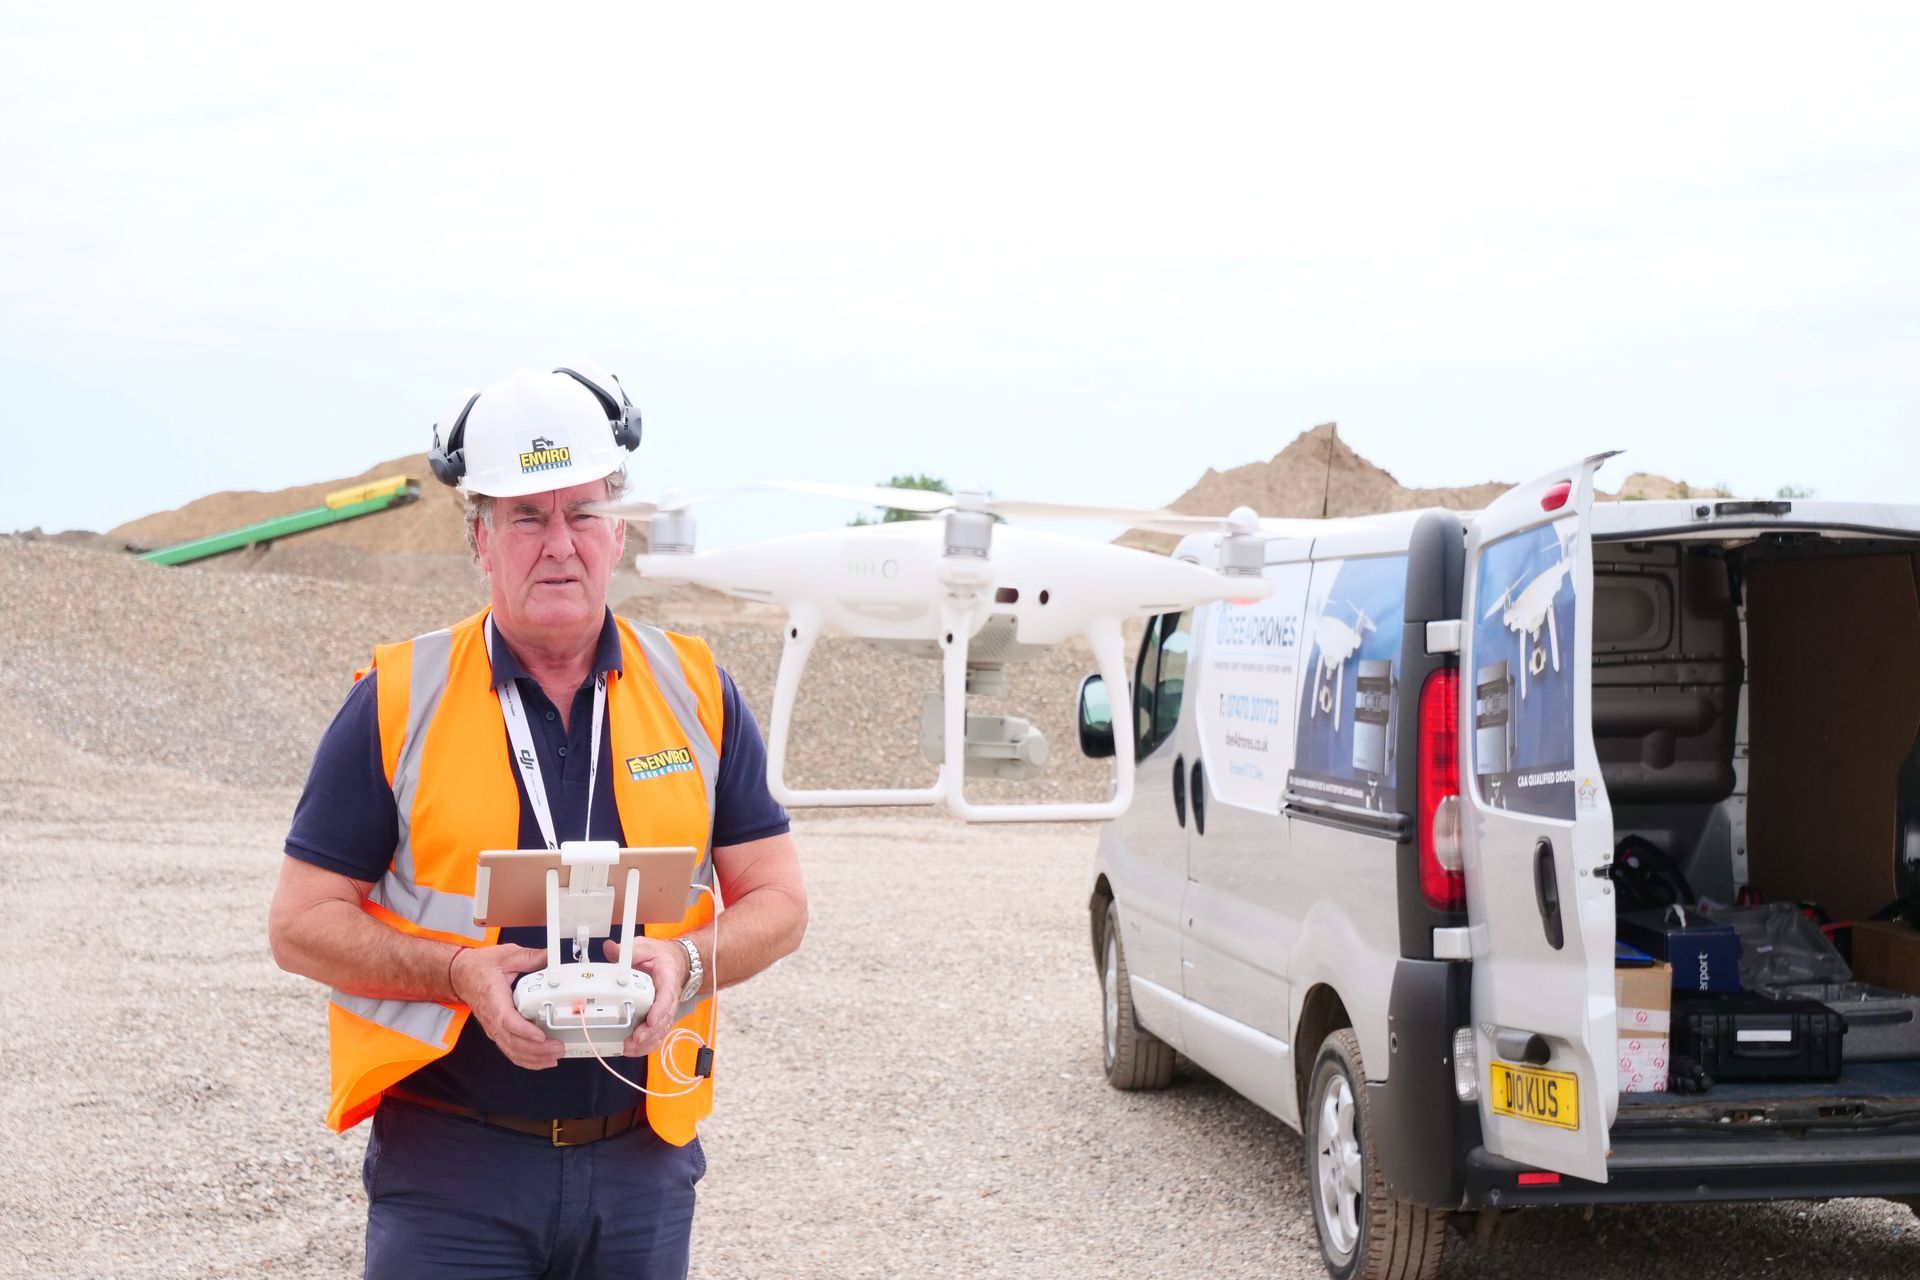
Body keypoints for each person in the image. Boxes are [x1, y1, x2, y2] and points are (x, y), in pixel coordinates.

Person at [267, 362, 807, 1278]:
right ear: (479, 538)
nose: (560, 544)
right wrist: (457, 973)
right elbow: (299, 924)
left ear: (618, 529)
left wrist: (688, 961)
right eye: (527, 516)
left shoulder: (697, 692)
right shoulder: (398, 702)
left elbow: (781, 901)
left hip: (641, 1157)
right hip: (451, 1168)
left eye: (583, 512)